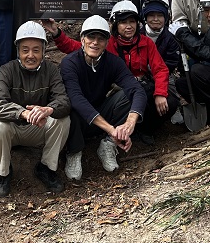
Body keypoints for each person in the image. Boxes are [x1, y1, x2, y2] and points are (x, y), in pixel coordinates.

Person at [44, 0, 175, 145]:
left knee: (167, 100)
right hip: (116, 89)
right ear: (115, 25)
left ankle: (139, 131)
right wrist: (57, 34)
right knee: (76, 108)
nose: (129, 26)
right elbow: (76, 47)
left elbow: (160, 69)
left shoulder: (145, 43)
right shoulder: (106, 44)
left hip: (139, 86)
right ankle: (83, 147)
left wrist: (160, 93)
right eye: (123, 22)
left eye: (132, 22)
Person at [0, 21, 71, 197]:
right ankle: (4, 172)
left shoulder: (51, 70)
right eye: (25, 50)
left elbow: (63, 100)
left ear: (43, 51)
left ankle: (46, 167)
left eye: (36, 50)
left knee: (62, 120)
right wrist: (23, 113)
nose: (30, 55)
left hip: (37, 129)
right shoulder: (7, 70)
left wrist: (47, 110)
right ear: (18, 50)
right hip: (13, 130)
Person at [58, 16, 147, 181]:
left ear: (107, 43)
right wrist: (111, 128)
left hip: (100, 113)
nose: (95, 43)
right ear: (82, 39)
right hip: (77, 119)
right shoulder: (69, 63)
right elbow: (77, 99)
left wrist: (129, 123)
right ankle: (74, 151)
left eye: (101, 39)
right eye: (91, 37)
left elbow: (137, 90)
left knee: (127, 96)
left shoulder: (113, 62)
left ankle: (108, 143)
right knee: (71, 107)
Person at [141, 0, 180, 75]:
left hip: (162, 75)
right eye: (151, 15)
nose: (155, 19)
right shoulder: (137, 35)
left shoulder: (171, 38)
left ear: (166, 17)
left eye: (159, 15)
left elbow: (171, 62)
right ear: (145, 17)